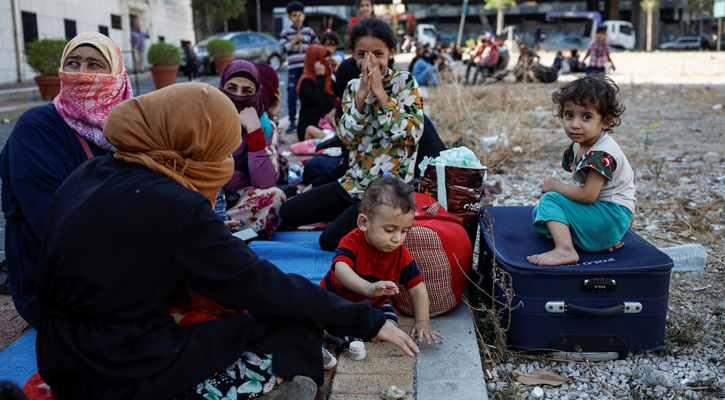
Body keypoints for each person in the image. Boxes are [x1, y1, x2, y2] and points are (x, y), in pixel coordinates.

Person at [34, 83, 419, 400]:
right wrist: (364, 320)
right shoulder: (173, 205)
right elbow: (260, 284)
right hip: (115, 369)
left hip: (57, 354)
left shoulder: (90, 172)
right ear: (195, 143)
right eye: (221, 148)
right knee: (293, 328)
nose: (222, 161)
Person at [0, 32, 133, 329]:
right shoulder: (36, 128)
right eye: (73, 63)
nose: (81, 73)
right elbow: (54, 221)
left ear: (117, 75)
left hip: (120, 260)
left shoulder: (127, 129)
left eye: (95, 64)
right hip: (56, 282)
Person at [280, 18, 425, 252]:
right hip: (353, 181)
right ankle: (346, 215)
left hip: (386, 190)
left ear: (391, 52)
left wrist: (380, 93)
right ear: (352, 54)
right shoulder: (352, 87)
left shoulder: (404, 82)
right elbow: (347, 139)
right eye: (361, 54)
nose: (369, 61)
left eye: (378, 53)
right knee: (288, 213)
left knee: (329, 241)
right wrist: (361, 97)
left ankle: (351, 219)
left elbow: (408, 136)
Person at [321, 177, 444, 344]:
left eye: (404, 231)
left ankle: (346, 333)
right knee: (319, 325)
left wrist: (422, 321)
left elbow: (417, 288)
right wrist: (367, 288)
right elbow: (341, 269)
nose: (397, 239)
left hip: (373, 306)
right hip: (335, 299)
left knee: (389, 325)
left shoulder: (400, 254)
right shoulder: (352, 241)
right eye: (389, 230)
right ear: (364, 222)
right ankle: (343, 331)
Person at [527, 74, 634, 266]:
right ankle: (597, 241)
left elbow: (588, 196)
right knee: (541, 215)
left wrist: (555, 186)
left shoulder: (601, 153)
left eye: (586, 117)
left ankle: (565, 250)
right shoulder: (582, 143)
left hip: (610, 217)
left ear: (606, 121)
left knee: (550, 200)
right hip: (609, 221)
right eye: (569, 115)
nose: (575, 124)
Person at [218, 60, 286, 237]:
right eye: (231, 88)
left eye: (247, 91)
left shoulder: (265, 127)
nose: (238, 96)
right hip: (205, 195)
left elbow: (264, 182)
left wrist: (254, 132)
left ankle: (216, 229)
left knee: (275, 196)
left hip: (240, 199)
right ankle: (222, 228)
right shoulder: (206, 118)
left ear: (256, 94)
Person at [279, 1, 320, 135]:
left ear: (304, 16)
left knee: (307, 95)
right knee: (292, 96)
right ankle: (292, 122)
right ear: (290, 17)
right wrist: (295, 40)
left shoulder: (308, 31)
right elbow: (282, 49)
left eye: (300, 14)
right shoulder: (286, 32)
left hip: (306, 70)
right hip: (293, 70)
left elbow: (317, 47)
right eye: (294, 15)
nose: (297, 17)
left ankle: (307, 120)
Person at [296, 44, 335, 143]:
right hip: (309, 128)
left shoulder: (328, 80)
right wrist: (320, 77)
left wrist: (337, 71)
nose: (326, 65)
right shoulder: (306, 81)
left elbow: (342, 94)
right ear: (315, 62)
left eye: (328, 61)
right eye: (323, 61)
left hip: (327, 126)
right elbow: (318, 101)